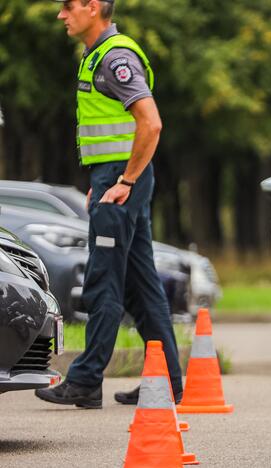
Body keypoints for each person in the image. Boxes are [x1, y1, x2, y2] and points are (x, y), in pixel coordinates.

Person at [36, 0, 182, 409]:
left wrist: (124, 181)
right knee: (141, 284)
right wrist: (106, 181)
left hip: (122, 182)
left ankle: (85, 380)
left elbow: (150, 123)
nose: (61, 15)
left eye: (68, 7)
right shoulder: (95, 55)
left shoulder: (114, 57)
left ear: (93, 7)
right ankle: (167, 380)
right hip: (115, 180)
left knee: (104, 280)